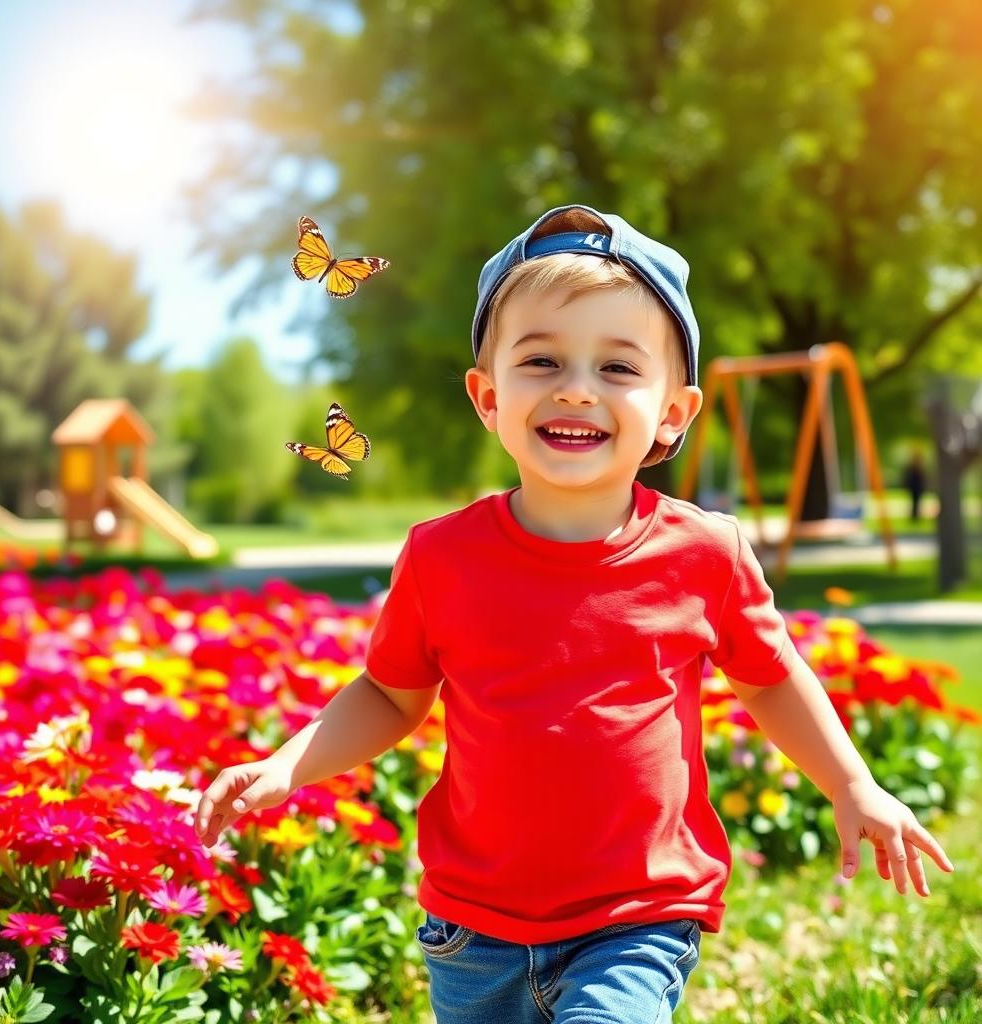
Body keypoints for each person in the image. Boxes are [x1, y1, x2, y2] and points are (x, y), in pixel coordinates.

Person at [194, 205, 955, 1023]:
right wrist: (288, 767)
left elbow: (771, 679)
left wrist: (852, 784)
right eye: (542, 359)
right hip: (471, 929)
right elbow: (388, 695)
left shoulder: (707, 553)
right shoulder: (441, 557)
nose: (576, 387)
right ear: (488, 397)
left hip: (637, 920)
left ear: (672, 412)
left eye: (619, 368)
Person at [903, 447, 928, 521]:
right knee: (915, 502)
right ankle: (914, 516)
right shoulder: (913, 468)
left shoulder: (918, 468)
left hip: (917, 487)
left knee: (917, 502)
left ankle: (916, 516)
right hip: (914, 487)